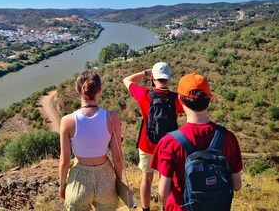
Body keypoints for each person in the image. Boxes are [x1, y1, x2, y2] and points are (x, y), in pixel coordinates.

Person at [151, 73, 243, 210]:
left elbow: (163, 191)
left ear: (180, 100)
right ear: (209, 99)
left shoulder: (169, 142)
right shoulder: (228, 137)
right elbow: (237, 186)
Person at [123, 62, 184, 211]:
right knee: (166, 179)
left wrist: (145, 72)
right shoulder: (176, 99)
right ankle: (165, 207)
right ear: (168, 79)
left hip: (147, 143)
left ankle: (146, 208)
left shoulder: (145, 95)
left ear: (153, 78)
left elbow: (126, 80)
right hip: (168, 145)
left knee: (146, 179)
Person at [59, 70, 123, 211]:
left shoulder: (67, 121)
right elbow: (117, 158)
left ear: (77, 90)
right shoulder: (113, 117)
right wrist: (119, 181)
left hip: (79, 180)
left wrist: (62, 185)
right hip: (105, 179)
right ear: (99, 90)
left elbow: (64, 162)